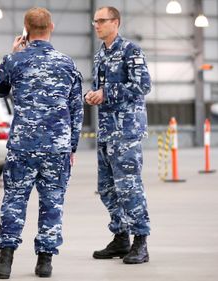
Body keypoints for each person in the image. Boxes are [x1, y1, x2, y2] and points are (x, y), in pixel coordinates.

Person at [0, 7, 83, 279]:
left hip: (23, 146)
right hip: (57, 148)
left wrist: (12, 54)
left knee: (14, 200)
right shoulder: (67, 64)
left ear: (25, 29)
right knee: (53, 201)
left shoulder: (15, 60)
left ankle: (5, 261)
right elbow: (77, 110)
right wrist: (72, 146)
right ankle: (45, 262)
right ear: (51, 26)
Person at [85, 6, 151, 264]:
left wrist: (107, 92)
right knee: (106, 189)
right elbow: (101, 88)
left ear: (116, 22)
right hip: (106, 131)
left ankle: (141, 242)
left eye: (101, 21)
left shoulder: (130, 51)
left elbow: (142, 85)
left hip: (126, 132)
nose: (96, 25)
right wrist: (92, 95)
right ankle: (121, 237)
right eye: (95, 21)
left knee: (129, 188)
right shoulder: (100, 55)